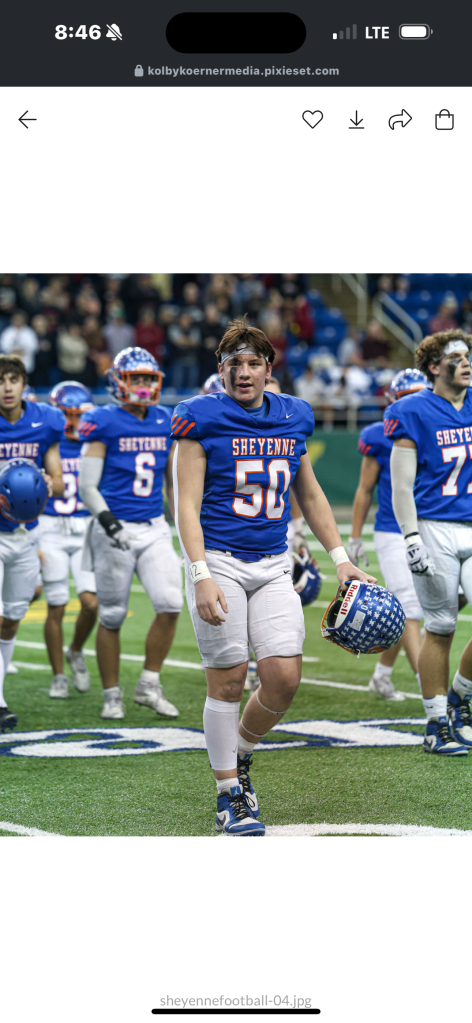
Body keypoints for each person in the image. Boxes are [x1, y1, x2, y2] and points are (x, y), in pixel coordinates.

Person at [172, 317, 375, 836]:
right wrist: (199, 574)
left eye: (253, 363)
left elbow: (309, 493)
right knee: (231, 678)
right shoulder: (200, 417)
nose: (243, 372)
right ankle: (227, 797)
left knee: (283, 679)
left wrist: (341, 559)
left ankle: (240, 753)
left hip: (273, 561)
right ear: (220, 370)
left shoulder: (293, 415)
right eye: (233, 364)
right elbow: (186, 506)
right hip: (219, 559)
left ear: (269, 368)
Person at [78, 347, 183, 720]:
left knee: (171, 603)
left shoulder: (166, 420)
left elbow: (173, 481)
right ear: (118, 382)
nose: (142, 386)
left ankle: (149, 684)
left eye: (147, 379)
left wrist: (183, 522)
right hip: (113, 528)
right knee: (112, 614)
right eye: (135, 378)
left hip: (153, 526)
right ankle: (111, 694)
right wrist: (110, 524)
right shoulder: (103, 421)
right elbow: (87, 486)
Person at [387, 330, 472, 755]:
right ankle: (436, 721)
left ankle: (461, 692)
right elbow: (401, 486)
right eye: (456, 357)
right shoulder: (413, 410)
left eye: (467, 355)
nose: (466, 362)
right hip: (435, 524)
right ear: (435, 367)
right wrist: (411, 537)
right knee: (441, 626)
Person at [349, 369, 428, 701]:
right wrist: (354, 537)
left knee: (434, 608)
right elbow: (365, 489)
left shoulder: (443, 426)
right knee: (410, 608)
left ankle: (381, 675)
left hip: (434, 529)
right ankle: (434, 692)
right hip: (393, 531)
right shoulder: (380, 434)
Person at [0, 355, 64, 732]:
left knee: (11, 618)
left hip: (26, 533)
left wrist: (47, 484)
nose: (6, 387)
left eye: (13, 379)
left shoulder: (45, 421)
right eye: (1, 380)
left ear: (24, 384)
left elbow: (56, 473)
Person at [39, 382, 98, 698]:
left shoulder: (95, 441)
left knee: (91, 604)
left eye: (79, 416)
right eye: (67, 416)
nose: (74, 424)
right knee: (57, 604)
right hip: (51, 526)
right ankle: (58, 675)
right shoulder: (48, 443)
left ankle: (75, 649)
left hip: (86, 527)